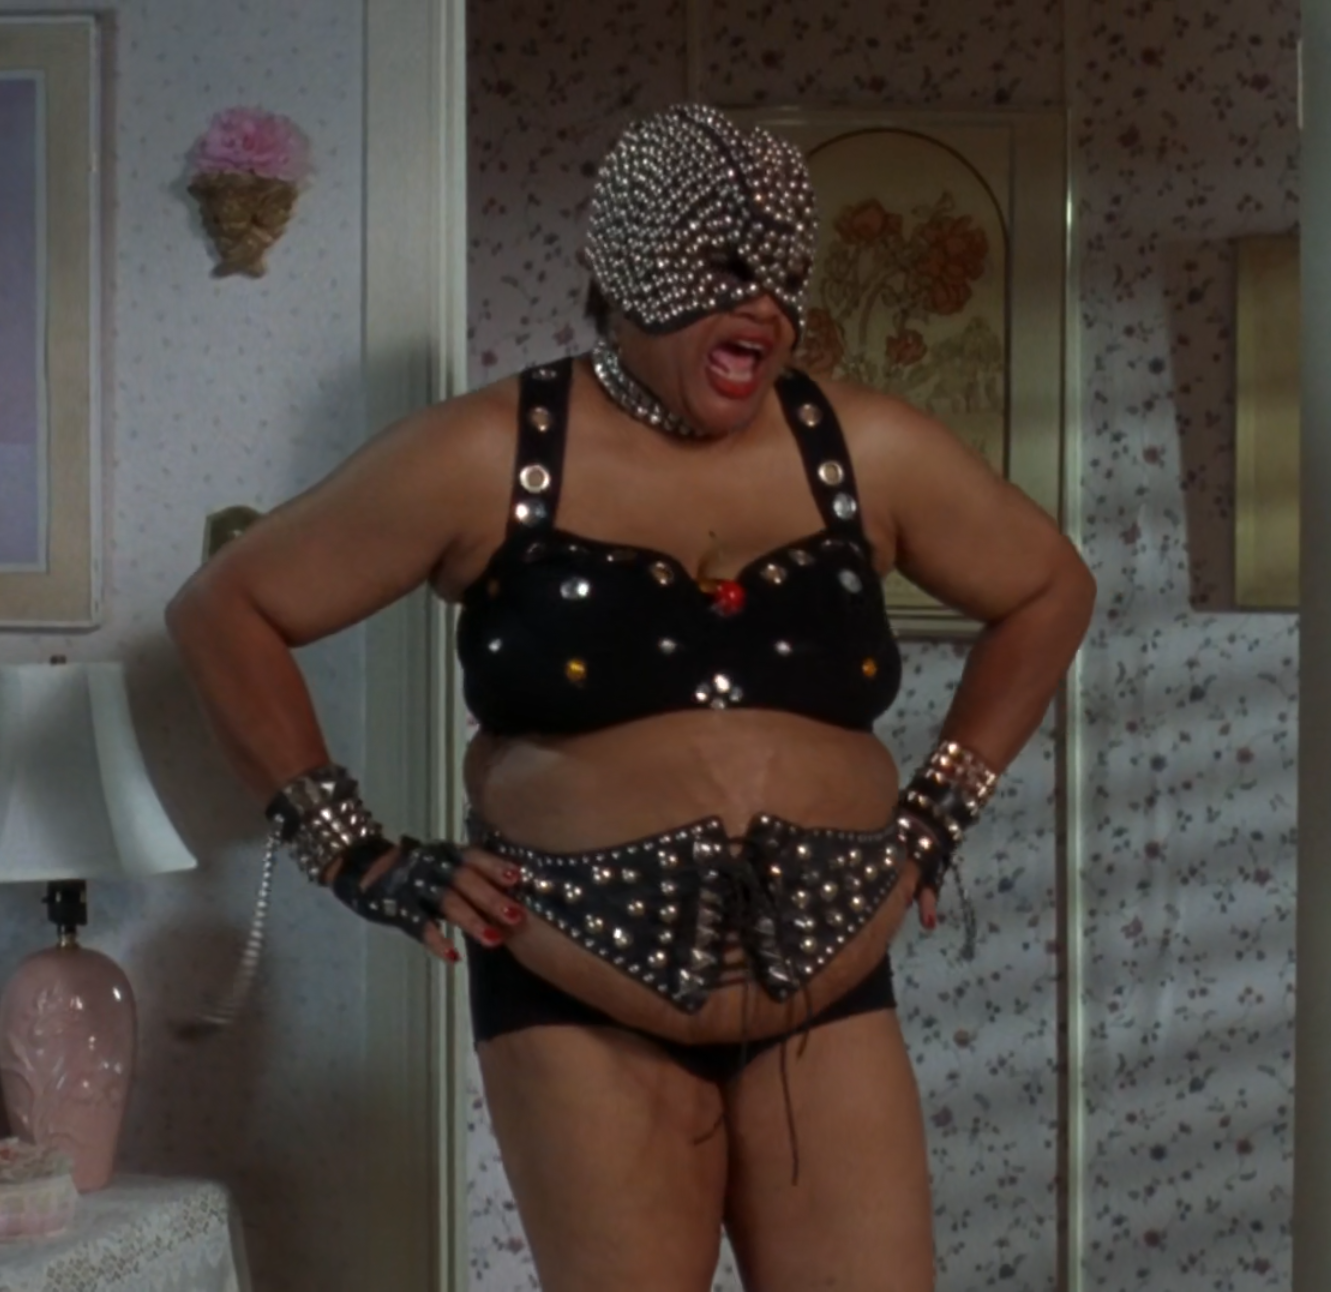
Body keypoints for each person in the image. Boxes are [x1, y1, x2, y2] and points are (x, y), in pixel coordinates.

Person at [167, 103, 1095, 1292]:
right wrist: (356, 854)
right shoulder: (486, 455)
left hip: (827, 976)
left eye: (782, 275)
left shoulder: (866, 448)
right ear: (625, 270)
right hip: (576, 989)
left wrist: (935, 816)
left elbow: (1049, 588)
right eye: (721, 269)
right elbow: (227, 610)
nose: (762, 306)